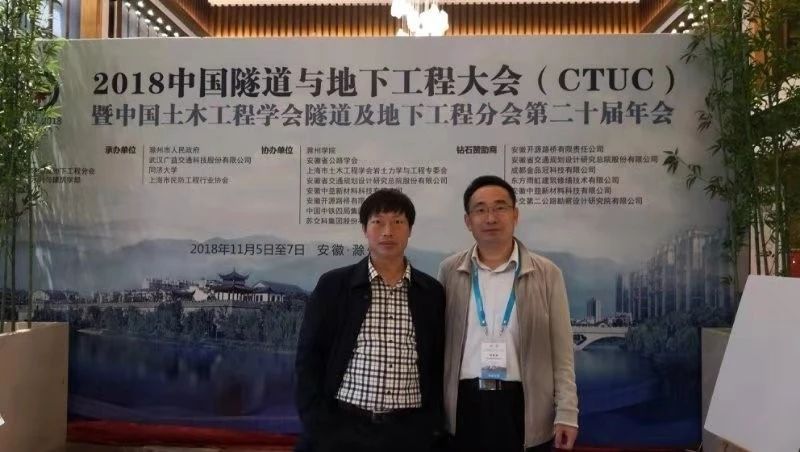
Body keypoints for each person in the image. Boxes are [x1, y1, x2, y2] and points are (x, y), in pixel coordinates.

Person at [295, 188, 445, 452]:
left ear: (410, 229)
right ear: (365, 229)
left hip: (409, 433)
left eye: (397, 222)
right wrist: (319, 423)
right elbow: (309, 357)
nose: (388, 231)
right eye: (378, 222)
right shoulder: (334, 285)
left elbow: (438, 362)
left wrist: (430, 426)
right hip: (344, 429)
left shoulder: (430, 292)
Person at [438, 175, 578, 452]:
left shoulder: (546, 273)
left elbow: (562, 352)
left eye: (500, 207)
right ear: (468, 221)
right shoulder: (450, 271)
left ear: (515, 214)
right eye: (480, 209)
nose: (491, 217)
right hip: (463, 405)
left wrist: (567, 412)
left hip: (524, 407)